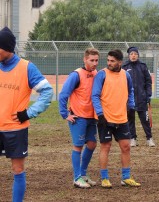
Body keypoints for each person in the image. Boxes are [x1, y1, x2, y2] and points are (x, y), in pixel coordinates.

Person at [0, 27, 53, 202]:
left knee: (17, 170)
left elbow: (46, 92)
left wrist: (29, 113)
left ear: (6, 47)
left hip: (15, 129)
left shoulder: (27, 67)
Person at [92, 49, 141, 188]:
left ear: (120, 62)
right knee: (105, 147)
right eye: (108, 60)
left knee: (126, 147)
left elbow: (130, 91)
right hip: (105, 119)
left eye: (112, 61)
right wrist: (100, 114)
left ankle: (126, 177)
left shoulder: (126, 75)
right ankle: (104, 178)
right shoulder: (102, 74)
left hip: (121, 118)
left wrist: (131, 107)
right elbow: (95, 95)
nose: (109, 63)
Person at [58, 48, 100, 188]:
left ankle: (82, 174)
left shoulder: (96, 74)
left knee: (92, 144)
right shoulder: (76, 75)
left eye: (96, 60)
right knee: (78, 146)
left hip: (91, 117)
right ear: (85, 59)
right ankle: (77, 178)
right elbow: (63, 94)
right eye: (91, 60)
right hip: (78, 117)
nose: (94, 63)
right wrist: (65, 114)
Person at [122, 47, 155, 147]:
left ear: (138, 55)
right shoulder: (124, 67)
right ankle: (133, 138)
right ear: (129, 55)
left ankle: (149, 138)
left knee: (145, 120)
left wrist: (148, 94)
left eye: (135, 54)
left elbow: (148, 82)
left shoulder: (143, 66)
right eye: (131, 54)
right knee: (130, 120)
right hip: (129, 100)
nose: (133, 55)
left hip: (142, 99)